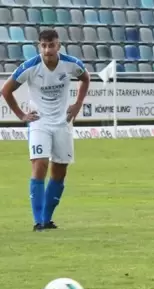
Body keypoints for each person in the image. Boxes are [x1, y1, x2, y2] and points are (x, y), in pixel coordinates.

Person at [1, 29, 90, 232]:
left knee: (59, 172)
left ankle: (47, 220)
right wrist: (21, 115)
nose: (47, 49)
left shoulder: (71, 64)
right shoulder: (31, 67)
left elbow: (86, 78)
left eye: (51, 45)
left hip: (63, 123)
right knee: (40, 164)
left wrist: (78, 104)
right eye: (44, 45)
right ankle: (38, 221)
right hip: (39, 122)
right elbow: (6, 90)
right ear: (39, 46)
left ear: (59, 45)